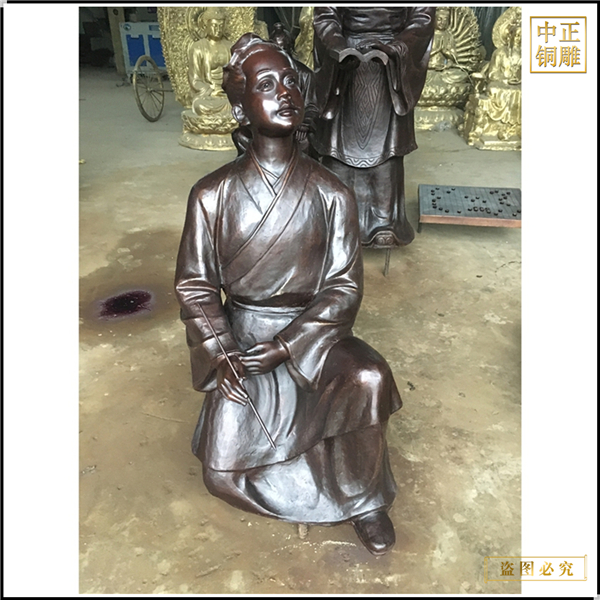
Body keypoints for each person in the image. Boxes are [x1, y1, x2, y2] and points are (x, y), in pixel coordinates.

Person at [175, 34, 403, 556]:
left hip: (313, 338)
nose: (285, 93)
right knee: (221, 478)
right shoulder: (211, 195)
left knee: (369, 375)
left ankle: (363, 497)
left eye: (291, 83)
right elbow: (195, 285)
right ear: (240, 106)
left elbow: (343, 286)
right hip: (243, 338)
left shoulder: (331, 193)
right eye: (266, 84)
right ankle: (298, 480)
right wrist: (222, 352)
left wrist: (286, 345)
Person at [311, 7, 436, 248]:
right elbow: (326, 15)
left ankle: (384, 222)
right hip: (346, 60)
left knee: (385, 152)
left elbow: (422, 17)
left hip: (390, 63)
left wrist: (398, 47)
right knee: (339, 152)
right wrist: (337, 46)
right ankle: (339, 219)